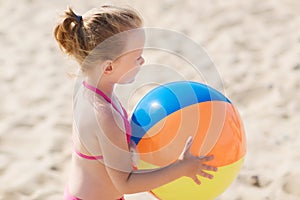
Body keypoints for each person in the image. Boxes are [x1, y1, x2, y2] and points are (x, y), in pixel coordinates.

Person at [54, 5, 217, 200]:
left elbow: (101, 147)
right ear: (108, 67)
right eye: (137, 57)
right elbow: (126, 183)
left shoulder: (90, 89)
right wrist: (181, 168)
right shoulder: (104, 115)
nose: (143, 61)